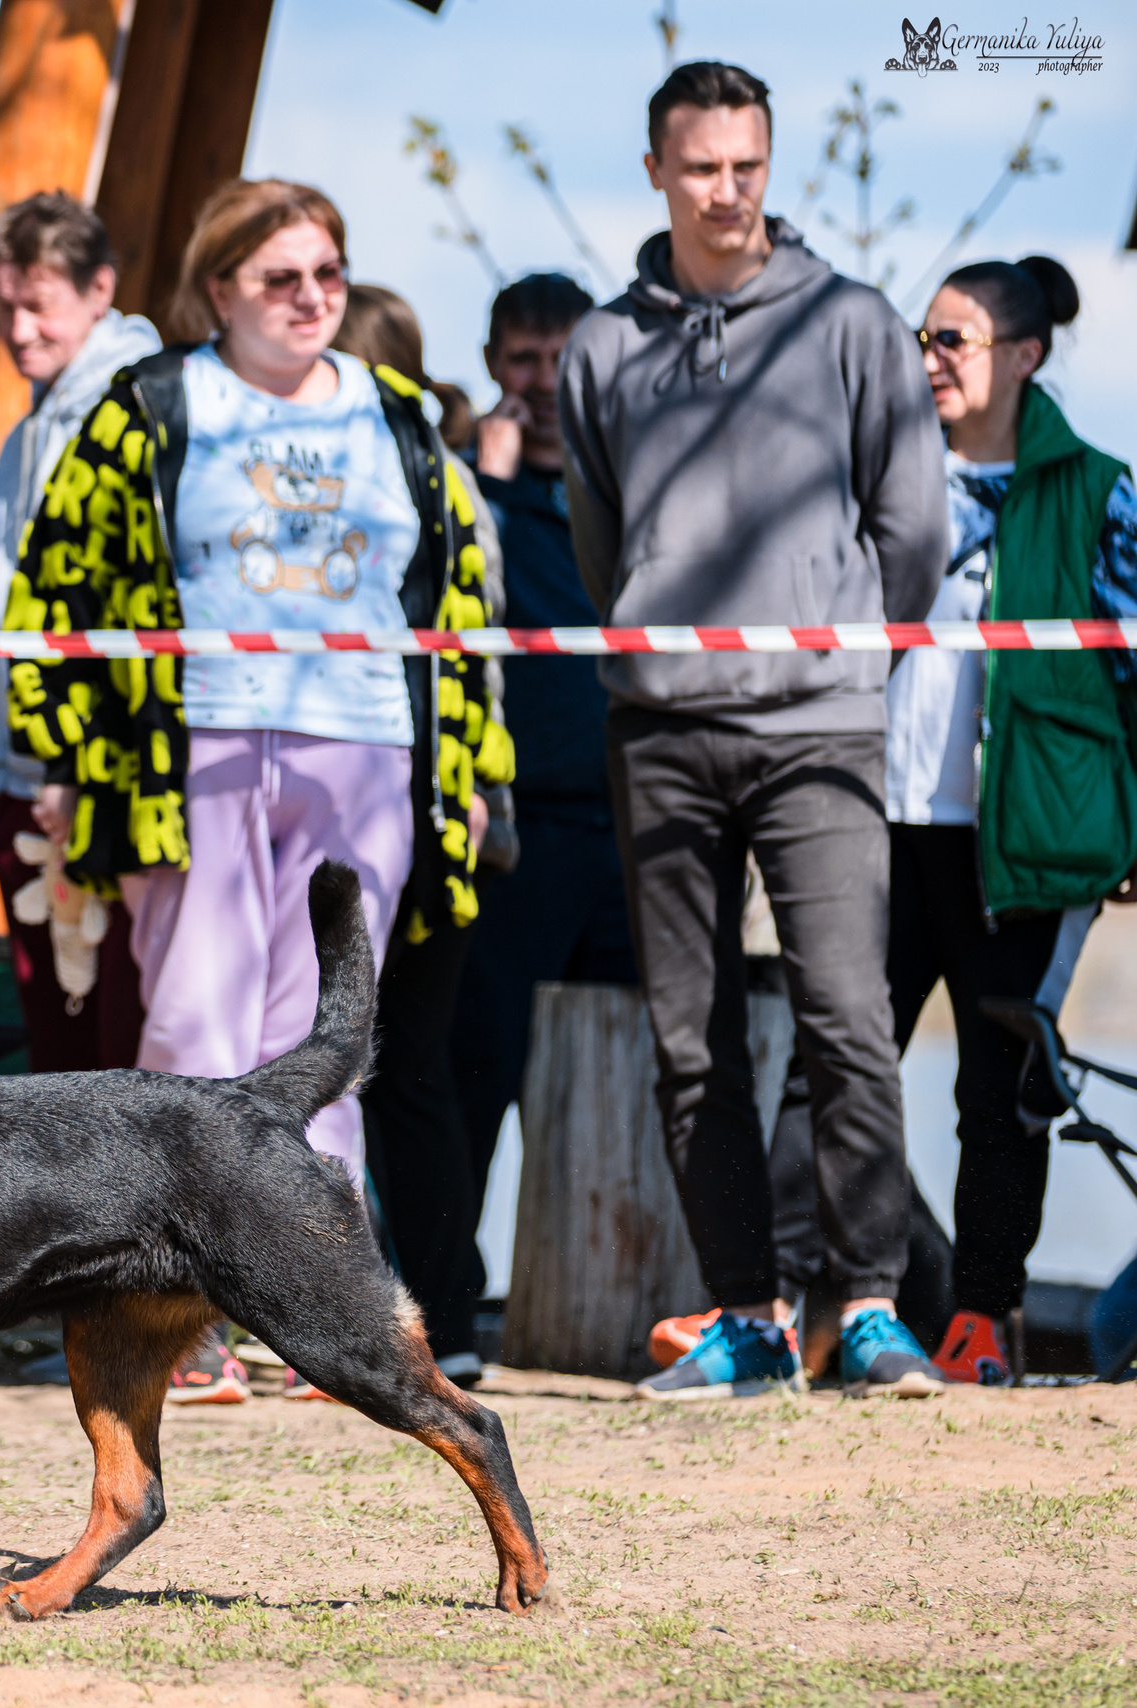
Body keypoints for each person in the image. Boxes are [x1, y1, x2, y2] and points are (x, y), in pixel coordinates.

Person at [3, 180, 501, 1402]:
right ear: (219, 286)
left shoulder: (395, 413)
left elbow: (459, 600)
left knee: (328, 1039)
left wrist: (469, 769)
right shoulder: (151, 404)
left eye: (329, 273)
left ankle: (319, 1317)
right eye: (282, 277)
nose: (312, 298)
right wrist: (63, 757)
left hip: (365, 746)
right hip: (194, 753)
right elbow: (57, 586)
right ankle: (179, 1323)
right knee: (193, 1027)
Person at [557, 62, 949, 1402]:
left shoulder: (853, 322)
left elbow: (912, 527)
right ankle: (745, 1315)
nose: (727, 191)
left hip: (819, 725)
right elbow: (599, 539)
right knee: (691, 1040)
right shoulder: (600, 347)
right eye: (701, 167)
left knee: (848, 1018)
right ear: (656, 172)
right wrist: (655, 638)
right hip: (660, 731)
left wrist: (846, 651)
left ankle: (872, 1308)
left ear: (768, 167)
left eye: (747, 166)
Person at [890, 256, 1133, 1384]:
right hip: (878, 826)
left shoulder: (1099, 491)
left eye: (953, 339)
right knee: (832, 1081)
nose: (929, 359)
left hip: (1027, 842)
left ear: (1025, 355)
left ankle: (982, 1319)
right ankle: (865, 1307)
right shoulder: (883, 474)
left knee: (999, 1091)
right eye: (922, 337)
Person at [333, 283, 514, 1389]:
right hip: (412, 797)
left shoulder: (427, 477)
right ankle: (422, 1313)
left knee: (391, 1069)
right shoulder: (448, 474)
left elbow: (476, 645)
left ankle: (431, 1315)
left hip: (420, 803)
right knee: (401, 1076)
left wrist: (475, 781)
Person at [448, 273, 640, 1291]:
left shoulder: (632, 478)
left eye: (564, 360)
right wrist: (487, 483)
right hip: (514, 833)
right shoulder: (463, 488)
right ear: (492, 365)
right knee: (479, 1071)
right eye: (524, 360)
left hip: (629, 827)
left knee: (624, 1077)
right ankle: (445, 1297)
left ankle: (616, 1296)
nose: (543, 382)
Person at [0, 192, 159, 1082]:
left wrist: (76, 761)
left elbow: (121, 606)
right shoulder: (24, 435)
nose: (20, 330)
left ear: (100, 291)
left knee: (122, 1055)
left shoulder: (139, 412)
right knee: (57, 1056)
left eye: (40, 304)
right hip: (27, 779)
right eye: (4, 305)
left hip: (97, 783)